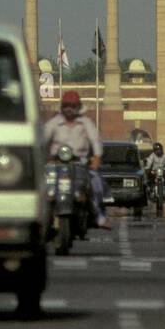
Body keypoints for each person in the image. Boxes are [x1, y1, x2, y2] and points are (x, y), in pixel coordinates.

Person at [43, 89, 111, 228]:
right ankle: (41, 218)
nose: (69, 109)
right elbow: (42, 140)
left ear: (78, 107)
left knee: (96, 184)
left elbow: (95, 140)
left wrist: (97, 157)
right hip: (55, 164)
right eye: (66, 105)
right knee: (42, 187)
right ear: (62, 107)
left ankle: (100, 217)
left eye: (72, 106)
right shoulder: (54, 123)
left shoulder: (85, 123)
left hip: (80, 163)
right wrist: (42, 156)